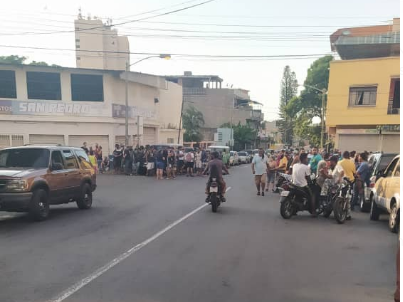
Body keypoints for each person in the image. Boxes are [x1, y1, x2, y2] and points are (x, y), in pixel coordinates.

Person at [292, 152, 316, 217]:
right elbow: (308, 178)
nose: (307, 160)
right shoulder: (306, 167)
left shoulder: (295, 165)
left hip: (294, 184)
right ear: (304, 159)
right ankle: (313, 212)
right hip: (302, 186)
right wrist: (311, 181)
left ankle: (294, 210)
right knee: (312, 196)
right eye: (307, 158)